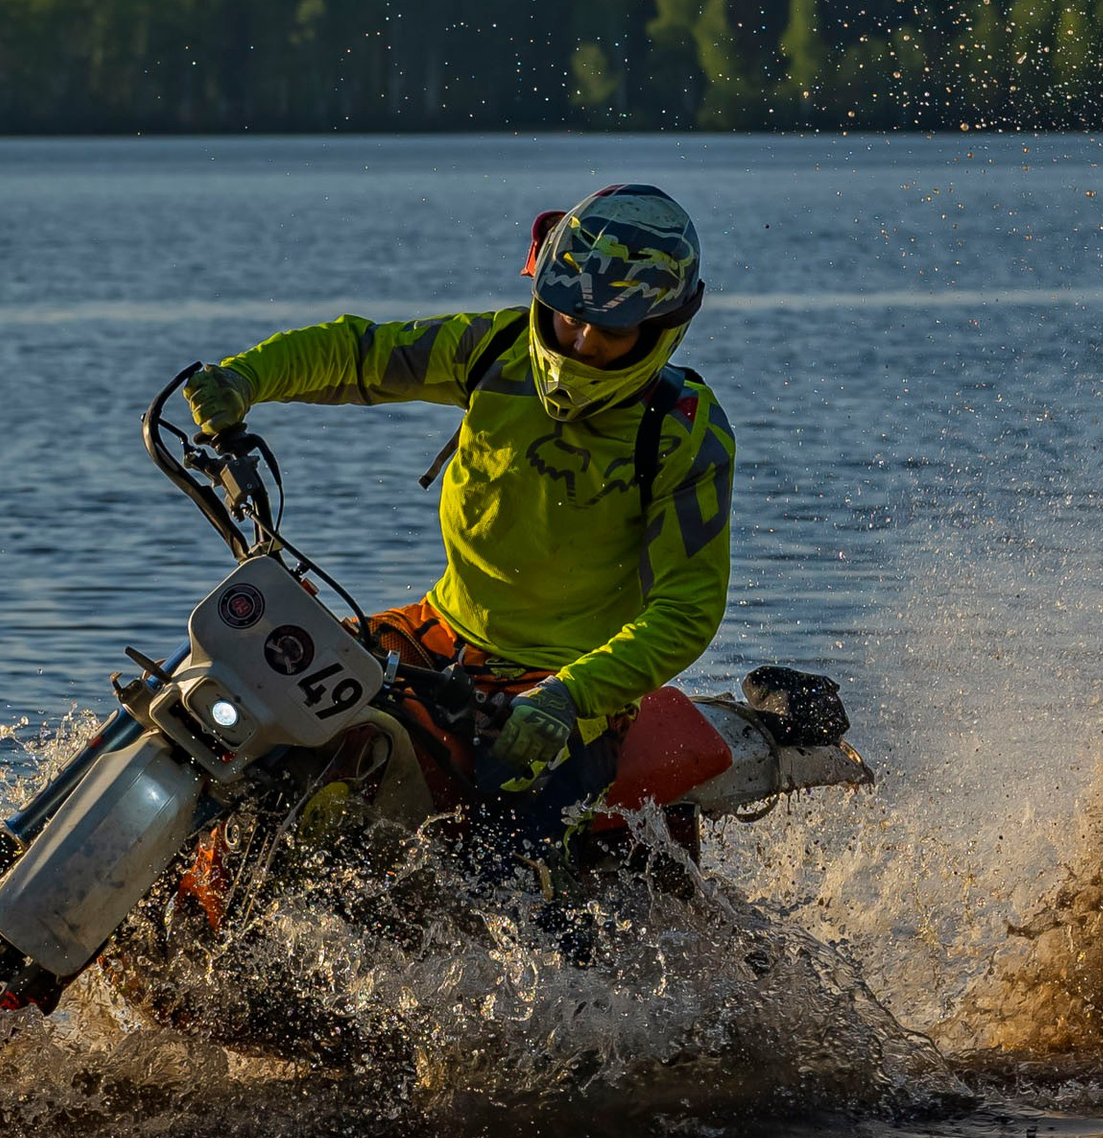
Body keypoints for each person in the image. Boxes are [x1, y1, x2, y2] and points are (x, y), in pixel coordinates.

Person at [182, 182, 734, 876]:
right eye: (566, 318)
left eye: (612, 331)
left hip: (569, 687)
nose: (582, 342)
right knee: (240, 694)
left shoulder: (685, 432)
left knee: (503, 870)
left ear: (663, 330)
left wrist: (571, 695)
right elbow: (359, 354)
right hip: (437, 634)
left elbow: (688, 611)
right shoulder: (495, 348)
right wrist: (245, 378)